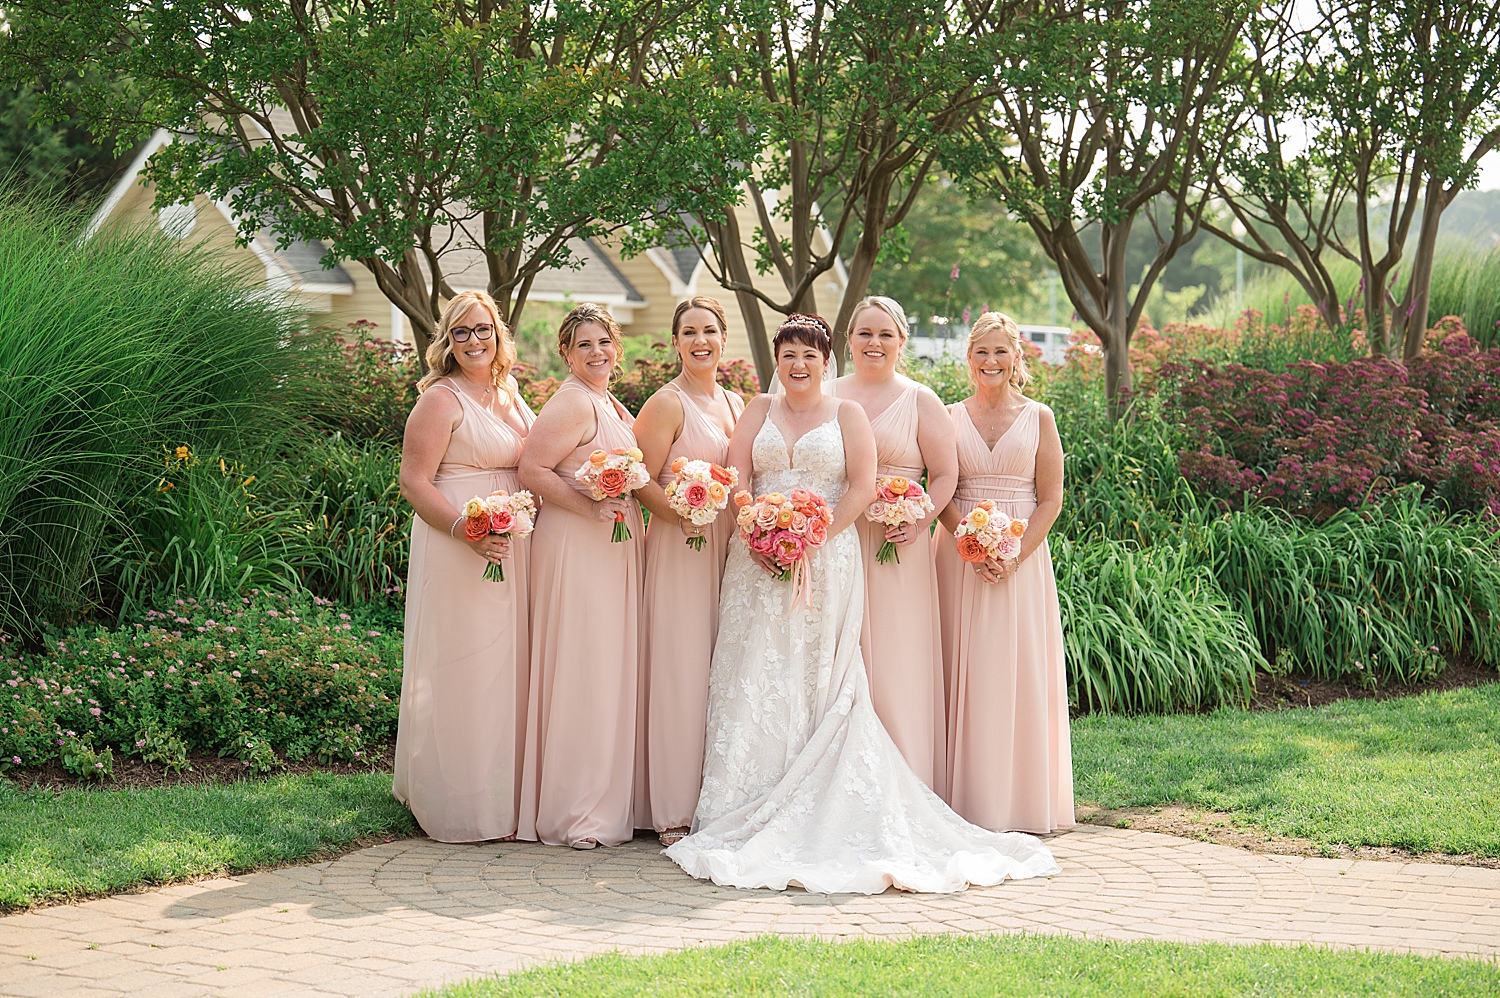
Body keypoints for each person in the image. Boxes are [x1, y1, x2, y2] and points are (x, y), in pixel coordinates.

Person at [665, 314, 1059, 894]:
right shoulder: (755, 409)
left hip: (829, 554)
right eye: (789, 354)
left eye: (810, 355)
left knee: (822, 675)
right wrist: (758, 530)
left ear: (827, 360)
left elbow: (859, 485)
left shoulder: (849, 414)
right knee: (751, 671)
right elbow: (738, 475)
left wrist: (809, 538)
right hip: (756, 560)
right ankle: (738, 801)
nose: (799, 365)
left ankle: (820, 791)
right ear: (777, 358)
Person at [393, 290, 535, 842]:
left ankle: (503, 794)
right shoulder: (440, 401)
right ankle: (459, 801)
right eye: (461, 332)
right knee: (465, 663)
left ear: (500, 334)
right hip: (457, 542)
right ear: (446, 342)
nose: (474, 341)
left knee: (506, 666)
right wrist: (464, 531)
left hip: (511, 542)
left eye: (483, 330)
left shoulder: (511, 392)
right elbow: (414, 482)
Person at [936, 311, 1075, 835]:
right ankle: (961, 798)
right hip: (958, 556)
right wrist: (967, 543)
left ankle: (1018, 799)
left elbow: (1051, 498)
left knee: (1016, 669)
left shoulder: (1040, 416)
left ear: (1018, 356)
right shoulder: (948, 416)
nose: (991, 361)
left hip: (1022, 558)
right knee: (959, 667)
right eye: (981, 352)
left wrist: (1014, 552)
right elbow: (942, 490)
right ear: (968, 359)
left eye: (1001, 351)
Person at [517, 303, 644, 850]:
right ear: (566, 353)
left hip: (609, 546)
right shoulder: (571, 401)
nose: (596, 353)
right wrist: (587, 505)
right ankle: (577, 811)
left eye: (604, 342)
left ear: (617, 347)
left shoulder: (607, 400)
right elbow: (532, 469)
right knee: (583, 667)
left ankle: (607, 795)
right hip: (576, 545)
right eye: (583, 345)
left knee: (605, 667)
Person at [831, 296, 957, 796]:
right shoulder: (828, 393)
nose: (874, 343)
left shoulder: (920, 400)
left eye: (885, 335)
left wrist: (920, 520)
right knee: (842, 650)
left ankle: (904, 781)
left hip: (897, 543)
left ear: (902, 341)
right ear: (849, 341)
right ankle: (840, 782)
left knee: (895, 654)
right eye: (865, 334)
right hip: (838, 538)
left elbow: (945, 473)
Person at [631, 298, 745, 846]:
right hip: (681, 546)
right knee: (679, 671)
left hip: (726, 547)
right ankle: (671, 810)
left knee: (715, 672)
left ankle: (713, 798)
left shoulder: (734, 401)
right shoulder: (666, 404)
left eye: (709, 331)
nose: (700, 340)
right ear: (675, 342)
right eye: (689, 332)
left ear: (724, 338)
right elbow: (640, 480)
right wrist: (682, 514)